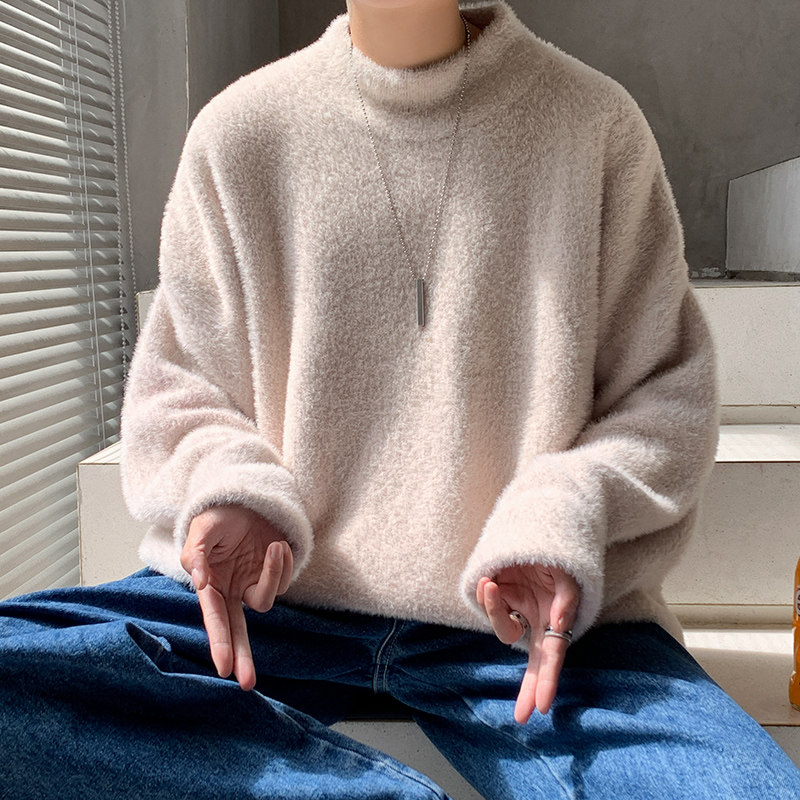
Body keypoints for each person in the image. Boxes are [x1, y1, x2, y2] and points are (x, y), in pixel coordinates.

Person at [1, 1, 799, 797]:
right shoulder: (240, 132)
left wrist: (558, 512)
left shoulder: (593, 126)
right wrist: (231, 486)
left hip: (520, 630)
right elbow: (178, 388)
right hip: (268, 610)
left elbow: (664, 397)